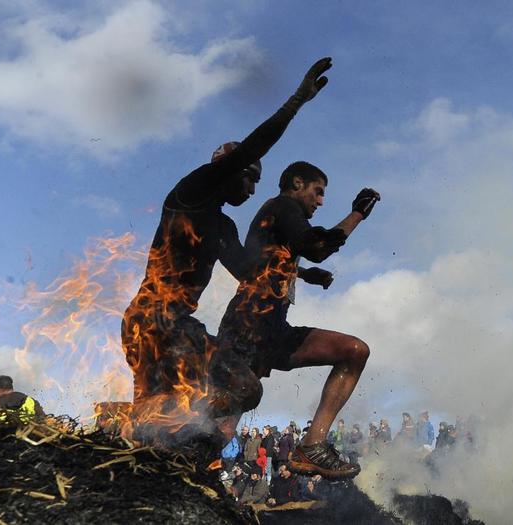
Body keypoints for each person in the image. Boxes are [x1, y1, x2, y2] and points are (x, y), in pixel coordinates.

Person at [119, 58, 333, 448]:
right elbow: (254, 144)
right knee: (157, 422)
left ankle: (173, 434)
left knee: (246, 391)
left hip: (183, 327)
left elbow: (249, 271)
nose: (252, 192)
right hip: (151, 323)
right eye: (250, 180)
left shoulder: (223, 226)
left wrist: (299, 271)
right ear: (229, 170)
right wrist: (296, 102)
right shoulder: (192, 194)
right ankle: (141, 429)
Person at [217, 161, 380, 478]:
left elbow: (265, 259)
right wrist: (357, 214)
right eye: (317, 192)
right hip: (246, 328)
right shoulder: (283, 205)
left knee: (354, 351)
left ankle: (312, 447)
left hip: (274, 331)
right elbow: (318, 246)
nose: (320, 202)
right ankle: (184, 468)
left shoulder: (277, 219)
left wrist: (303, 273)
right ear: (296, 184)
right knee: (223, 423)